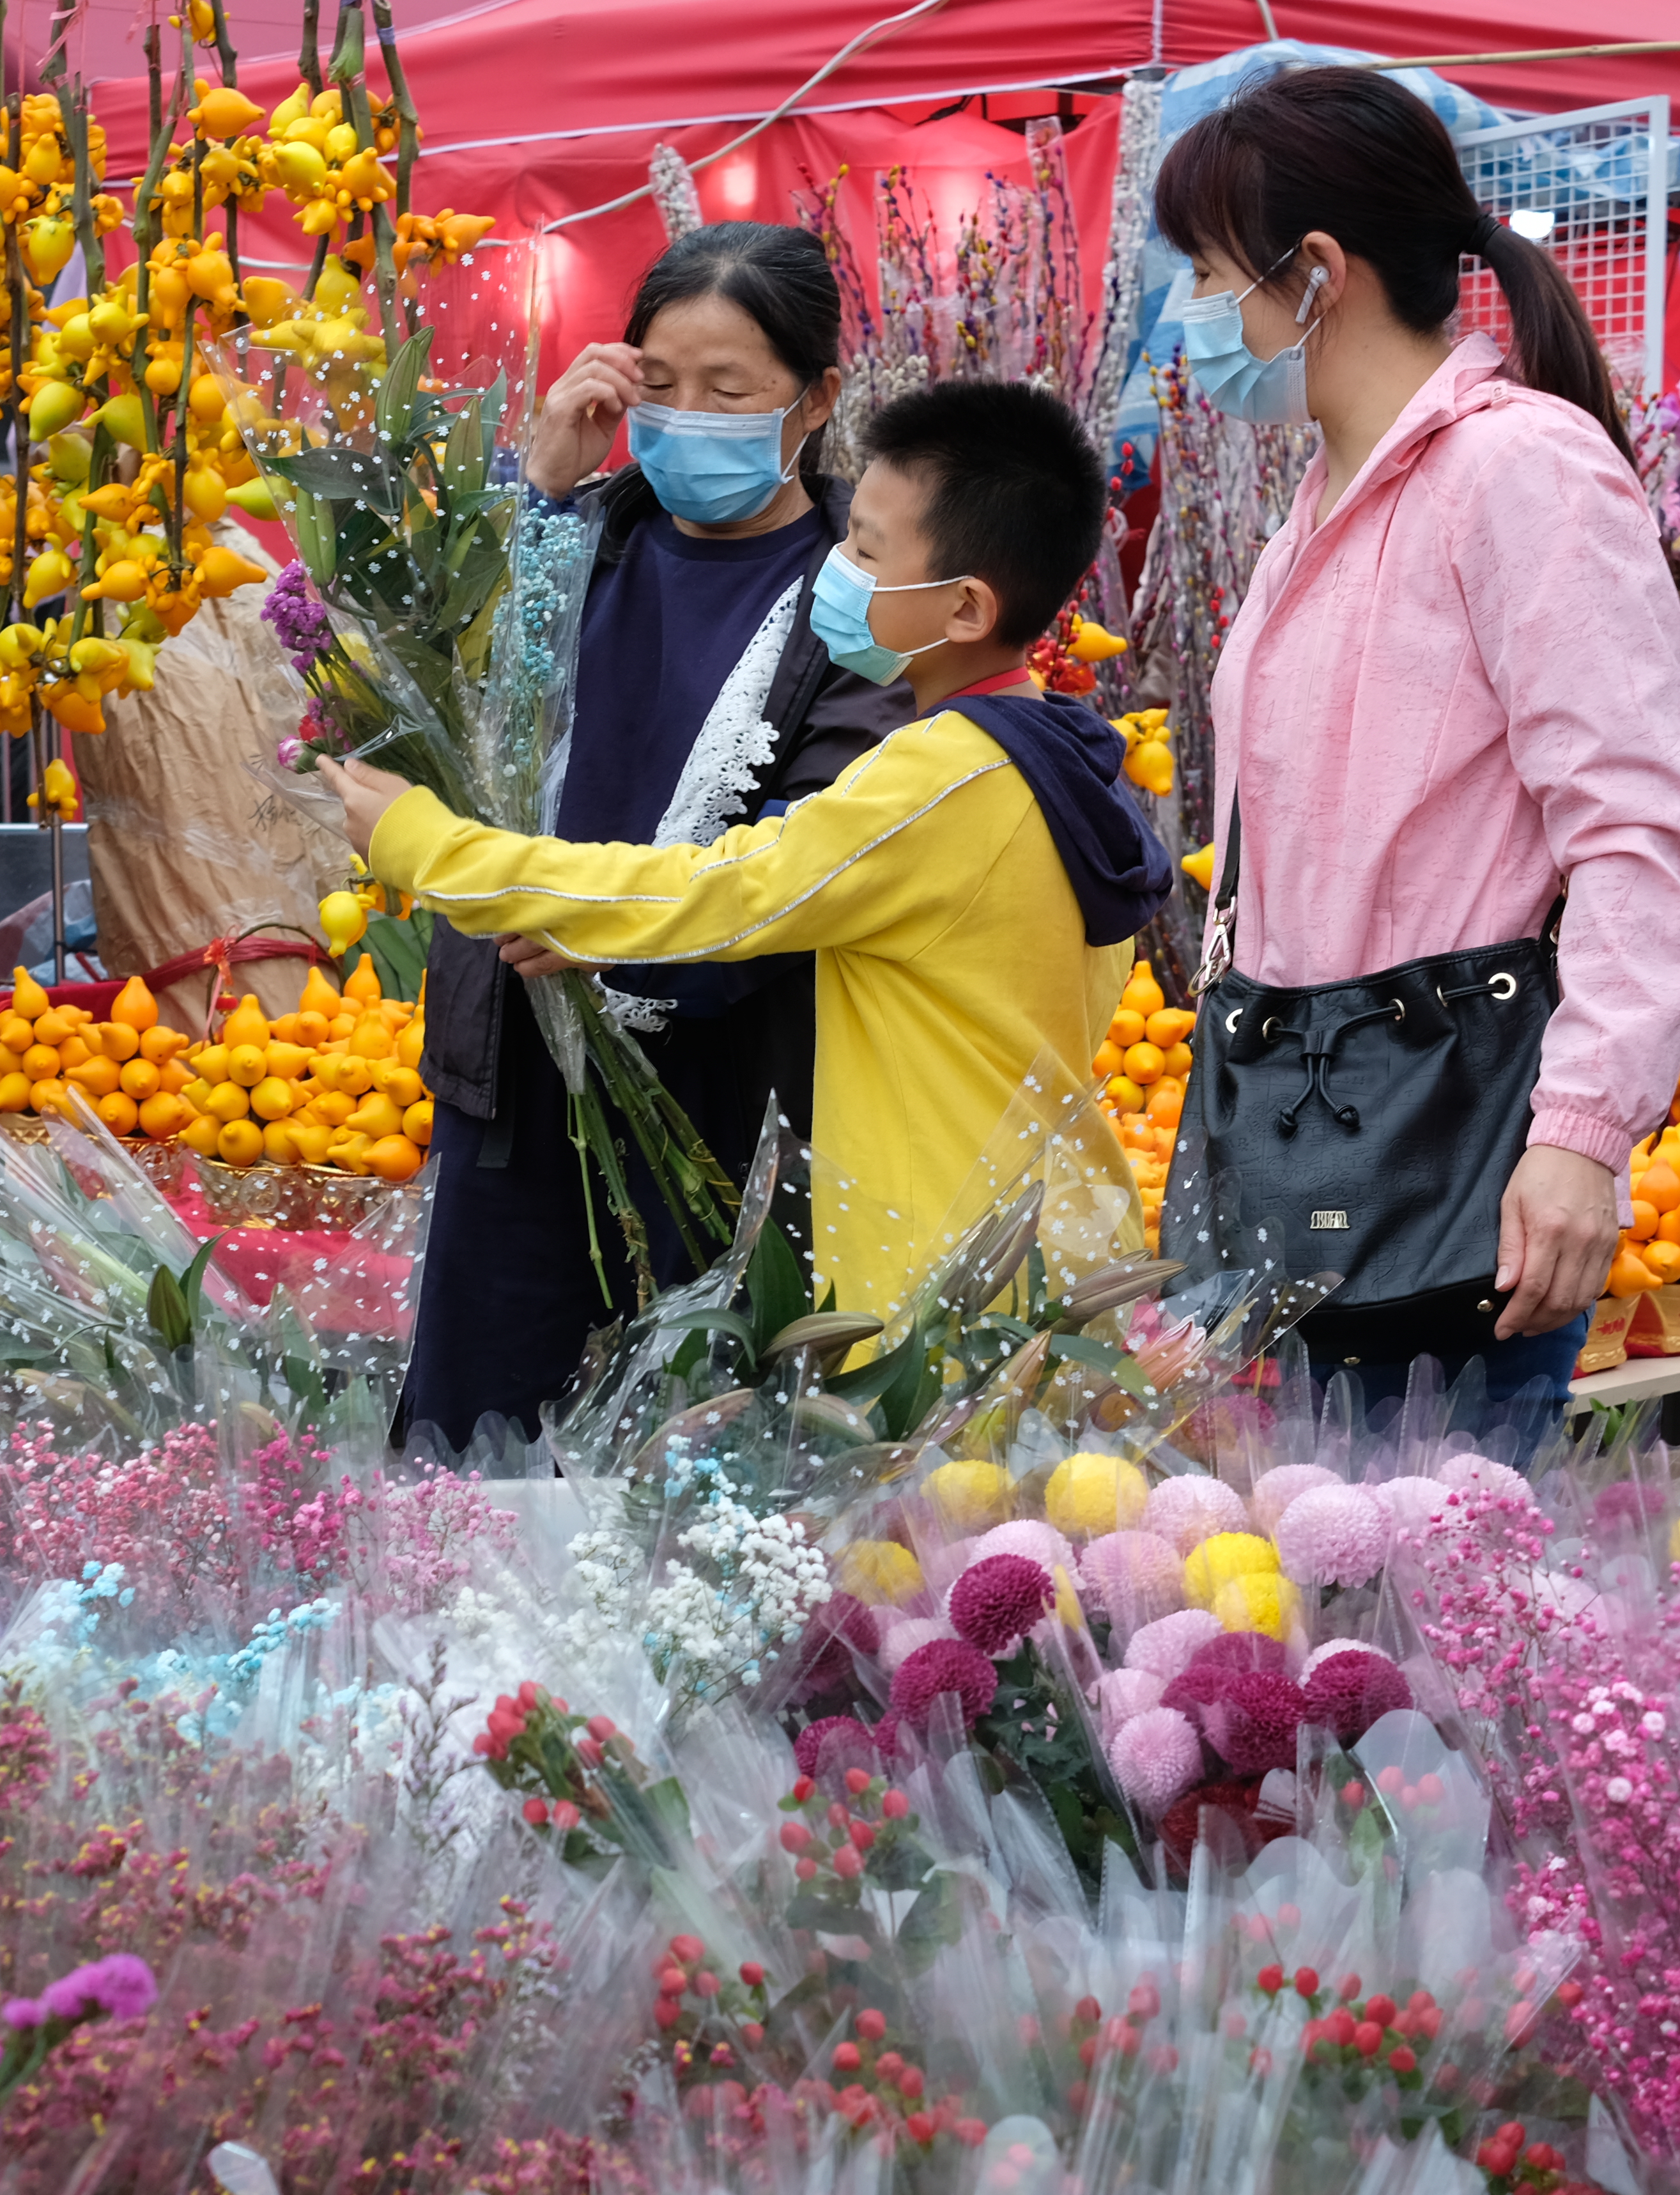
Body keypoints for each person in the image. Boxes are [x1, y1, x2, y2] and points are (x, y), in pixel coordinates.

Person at [333, 380, 1165, 1327]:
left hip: (949, 1272)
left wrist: (429, 844)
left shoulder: (945, 778)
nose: (836, 570)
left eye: (865, 550)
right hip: (1047, 1234)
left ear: (966, 609)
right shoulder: (1061, 759)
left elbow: (723, 892)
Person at [1152, 66, 1680, 1421]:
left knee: (1415, 1600)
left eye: (1209, 271)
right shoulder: (1320, 501)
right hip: (1307, 1130)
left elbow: (1641, 830)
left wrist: (1582, 1133)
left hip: (1452, 1156)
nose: (1192, 316)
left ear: (1318, 273)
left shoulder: (1519, 470)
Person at [401, 222, 910, 1453]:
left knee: (698, 1455)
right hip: (516, 1081)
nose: (688, 420)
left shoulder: (857, 589)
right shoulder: (577, 539)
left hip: (727, 1097)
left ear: (817, 397)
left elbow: (827, 839)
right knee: (480, 1443)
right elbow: (452, 724)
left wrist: (620, 929)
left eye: (729, 392)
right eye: (660, 387)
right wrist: (542, 491)